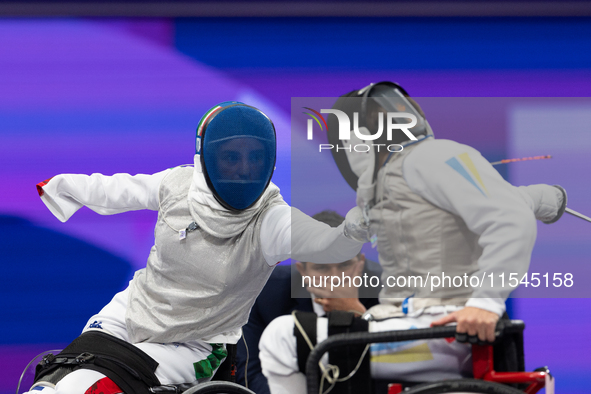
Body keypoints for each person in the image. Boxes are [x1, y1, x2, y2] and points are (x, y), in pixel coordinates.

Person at [28, 102, 368, 394]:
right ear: (207, 157)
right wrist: (63, 187)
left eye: (255, 158)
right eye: (232, 157)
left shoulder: (271, 221)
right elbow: (119, 190)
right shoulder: (179, 185)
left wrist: (353, 229)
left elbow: (328, 244)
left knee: (90, 385)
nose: (245, 169)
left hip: (194, 343)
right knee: (54, 381)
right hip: (130, 310)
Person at [259, 83, 567, 392]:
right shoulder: (383, 189)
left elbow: (511, 216)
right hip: (412, 328)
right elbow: (514, 202)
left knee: (283, 338)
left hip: (443, 335)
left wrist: (486, 304)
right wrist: (548, 199)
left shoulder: (431, 158)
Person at [235, 210, 382, 394]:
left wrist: (360, 315)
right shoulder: (265, 292)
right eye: (322, 267)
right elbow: (250, 373)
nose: (334, 278)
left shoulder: (386, 290)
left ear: (360, 264)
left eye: (344, 265)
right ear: (302, 270)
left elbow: (400, 367)